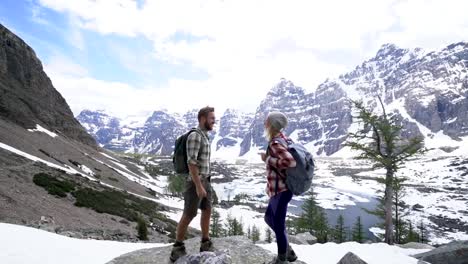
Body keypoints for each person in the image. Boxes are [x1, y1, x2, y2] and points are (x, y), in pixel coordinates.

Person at [170, 106, 216, 262]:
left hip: (206, 180)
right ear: (203, 118)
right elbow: (191, 163)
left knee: (207, 210)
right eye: (211, 118)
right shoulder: (195, 136)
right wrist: (198, 185)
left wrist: (204, 183)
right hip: (195, 182)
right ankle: (177, 248)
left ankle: (205, 242)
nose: (214, 121)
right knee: (189, 213)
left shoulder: (204, 136)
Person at [260, 112, 298, 264]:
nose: (264, 124)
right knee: (269, 218)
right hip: (277, 190)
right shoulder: (284, 139)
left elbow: (290, 162)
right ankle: (288, 250)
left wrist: (268, 159)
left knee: (279, 224)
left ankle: (282, 259)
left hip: (281, 191)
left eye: (266, 121)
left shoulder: (276, 143)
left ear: (272, 124)